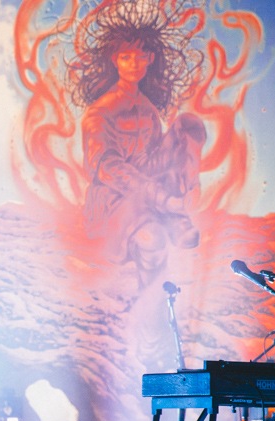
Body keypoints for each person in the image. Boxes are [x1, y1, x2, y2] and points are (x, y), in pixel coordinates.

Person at [68, 0, 206, 285]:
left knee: (187, 125)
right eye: (126, 57)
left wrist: (181, 182)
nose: (134, 64)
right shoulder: (100, 112)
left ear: (150, 59)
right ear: (114, 60)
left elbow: (154, 158)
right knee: (152, 237)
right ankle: (149, 302)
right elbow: (105, 166)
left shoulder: (149, 111)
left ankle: (178, 215)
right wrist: (158, 197)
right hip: (112, 202)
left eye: (141, 56)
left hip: (150, 190)